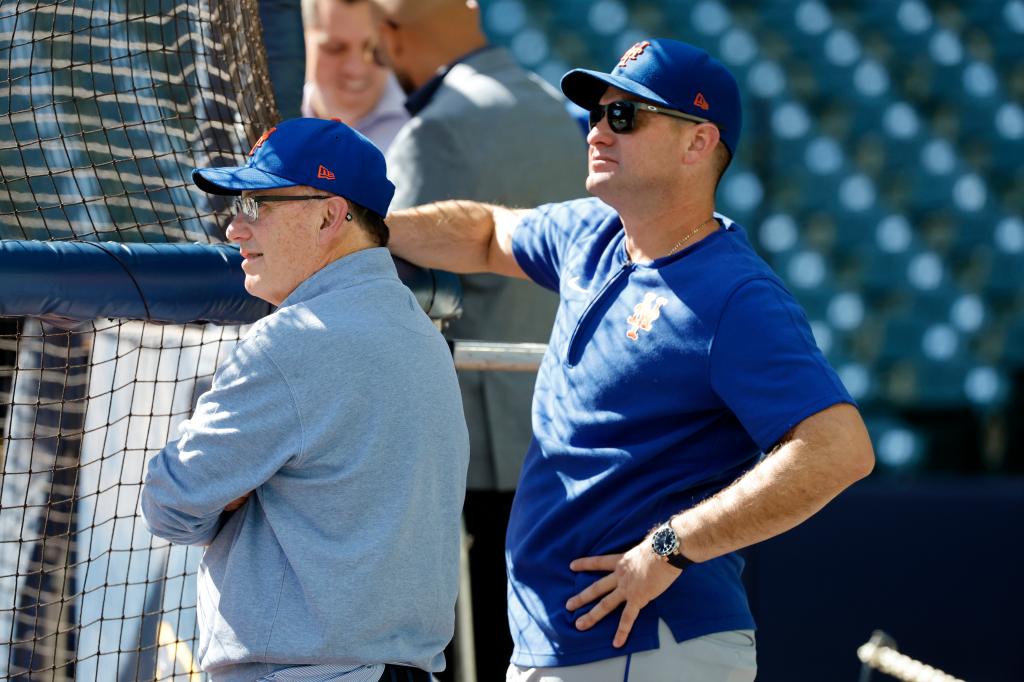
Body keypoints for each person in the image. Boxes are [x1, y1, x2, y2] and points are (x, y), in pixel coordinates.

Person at [385, 39, 875, 681]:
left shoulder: (736, 293)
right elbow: (485, 231)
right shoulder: (592, 232)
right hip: (576, 644)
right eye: (594, 113)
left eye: (625, 116)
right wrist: (367, 232)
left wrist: (671, 547)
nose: (597, 131)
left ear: (698, 142)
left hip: (648, 647)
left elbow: (839, 448)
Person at [140, 117, 469, 682]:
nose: (234, 229)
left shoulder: (292, 340)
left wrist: (229, 493)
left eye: (256, 204)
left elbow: (170, 502)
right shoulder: (421, 333)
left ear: (329, 214)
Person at [368, 0, 587, 674]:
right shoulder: (558, 109)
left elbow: (389, 295)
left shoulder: (437, 131)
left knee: (476, 653)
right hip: (559, 441)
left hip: (475, 462)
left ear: (393, 35)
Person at [301, 0, 408, 150]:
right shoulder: (274, 120)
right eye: (335, 48)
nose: (356, 69)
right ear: (302, 39)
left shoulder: (425, 123)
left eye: (373, 48)